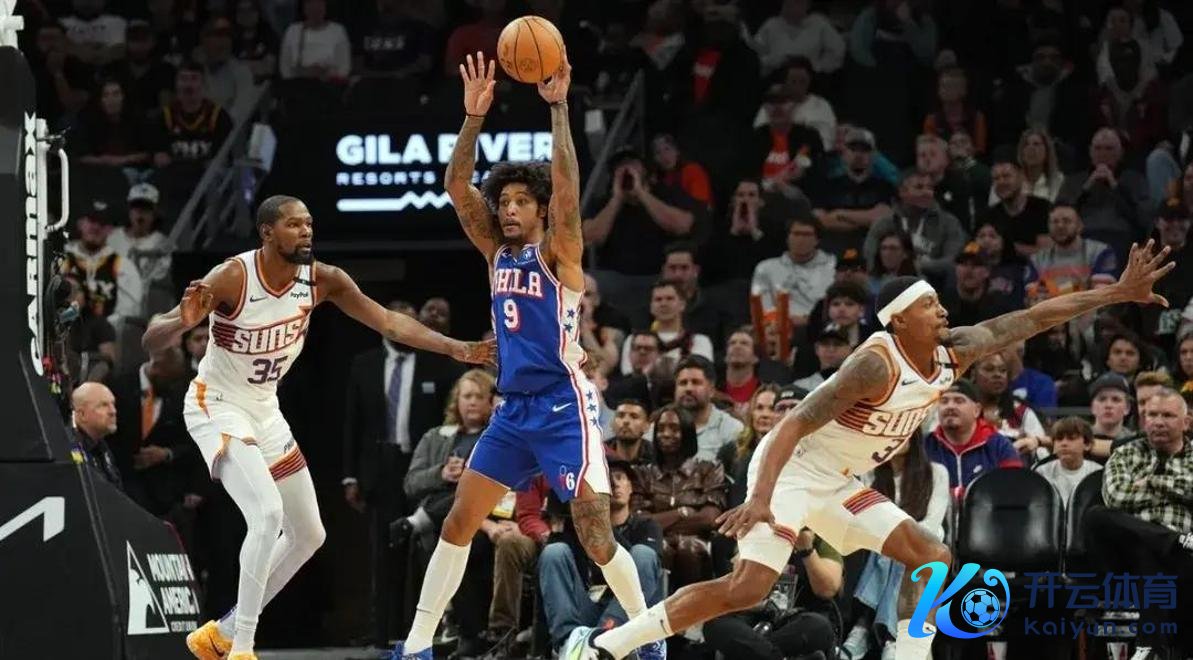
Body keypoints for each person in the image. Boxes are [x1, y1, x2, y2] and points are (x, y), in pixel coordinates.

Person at [564, 240, 1176, 660]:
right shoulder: (873, 365)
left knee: (932, 554)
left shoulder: (955, 351)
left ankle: (909, 653)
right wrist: (760, 498)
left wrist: (1115, 294)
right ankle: (613, 645)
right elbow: (790, 426)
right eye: (930, 304)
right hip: (792, 470)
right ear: (901, 319)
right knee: (748, 588)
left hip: (840, 478)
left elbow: (1033, 317)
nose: (943, 309)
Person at [391, 52, 663, 660]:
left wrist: (559, 107)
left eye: (520, 201)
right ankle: (416, 646)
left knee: (595, 536)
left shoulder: (560, 253)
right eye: (504, 200)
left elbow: (567, 189)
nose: (508, 209)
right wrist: (472, 118)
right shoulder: (497, 254)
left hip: (564, 405)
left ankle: (648, 638)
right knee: (458, 522)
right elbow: (456, 187)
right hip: (513, 408)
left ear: (540, 209)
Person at [141, 195, 491, 660]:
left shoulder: (323, 279)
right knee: (266, 515)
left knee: (309, 533)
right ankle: (241, 647)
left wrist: (456, 348)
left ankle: (223, 631)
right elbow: (152, 338)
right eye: (294, 224)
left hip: (265, 410)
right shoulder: (234, 276)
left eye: (309, 223)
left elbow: (389, 323)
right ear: (267, 233)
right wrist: (179, 324)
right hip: (217, 405)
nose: (306, 231)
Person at [1032, 416, 1102, 506]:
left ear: (1087, 444)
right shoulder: (1041, 472)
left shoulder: (1098, 473)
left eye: (1071, 438)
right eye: (1059, 439)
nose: (1064, 444)